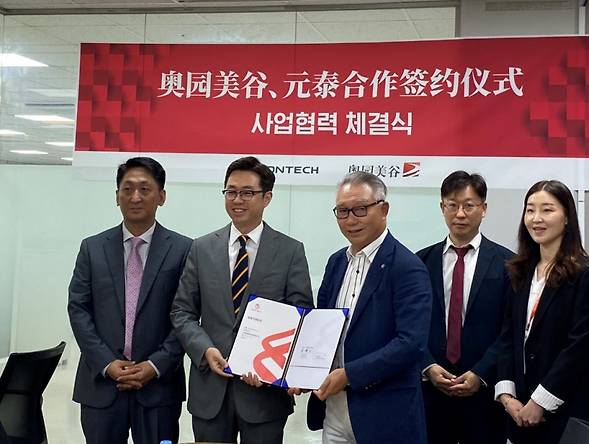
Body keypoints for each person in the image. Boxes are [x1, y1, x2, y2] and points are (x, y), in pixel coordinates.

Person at [170, 156, 313, 444]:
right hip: (211, 390)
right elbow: (182, 311)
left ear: (266, 197)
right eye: (231, 191)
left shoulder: (290, 251)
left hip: (265, 393)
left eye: (247, 192)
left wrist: (273, 365)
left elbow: (302, 316)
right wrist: (204, 349)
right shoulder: (201, 248)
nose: (237, 199)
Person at [68, 157, 192, 444]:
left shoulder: (184, 249)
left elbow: (187, 313)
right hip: (101, 386)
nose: (135, 197)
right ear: (117, 196)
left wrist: (156, 364)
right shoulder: (92, 248)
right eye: (127, 189)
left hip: (158, 388)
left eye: (145, 189)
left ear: (161, 196)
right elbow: (78, 309)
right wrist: (106, 362)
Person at [307, 171, 432, 444]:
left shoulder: (407, 267)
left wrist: (349, 375)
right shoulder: (336, 262)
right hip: (334, 408)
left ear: (383, 209)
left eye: (360, 209)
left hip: (384, 412)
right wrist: (302, 371)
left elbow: (411, 343)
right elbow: (321, 328)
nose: (351, 219)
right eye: (342, 211)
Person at [495, 180, 589, 444]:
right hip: (518, 412)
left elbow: (577, 348)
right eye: (530, 210)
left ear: (567, 217)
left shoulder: (588, 275)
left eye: (547, 210)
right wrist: (507, 395)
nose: (536, 218)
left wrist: (539, 402)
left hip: (567, 412)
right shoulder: (520, 272)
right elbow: (508, 337)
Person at [416, 171, 512, 444]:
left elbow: (510, 330)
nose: (460, 213)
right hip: (432, 395)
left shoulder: (508, 264)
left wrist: (481, 373)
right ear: (442, 207)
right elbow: (411, 325)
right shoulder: (420, 262)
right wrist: (428, 366)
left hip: (485, 396)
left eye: (469, 205)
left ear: (484, 208)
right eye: (452, 205)